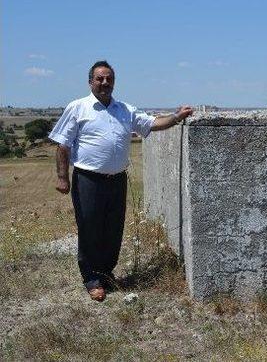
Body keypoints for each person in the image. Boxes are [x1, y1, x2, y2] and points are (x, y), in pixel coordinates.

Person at [49, 60, 193, 302]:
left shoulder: (125, 110)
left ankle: (106, 273)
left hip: (117, 180)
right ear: (90, 82)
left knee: (114, 229)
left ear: (114, 82)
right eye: (99, 78)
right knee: (90, 228)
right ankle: (91, 279)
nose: (105, 82)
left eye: (109, 79)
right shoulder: (78, 108)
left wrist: (177, 116)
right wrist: (63, 178)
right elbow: (62, 145)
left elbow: (152, 124)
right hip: (88, 180)